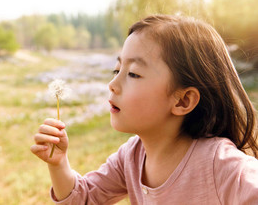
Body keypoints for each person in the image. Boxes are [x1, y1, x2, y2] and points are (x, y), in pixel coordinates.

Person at [31, 15, 258, 204]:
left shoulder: (223, 166)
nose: (112, 84)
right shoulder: (131, 156)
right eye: (116, 70)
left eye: (133, 74)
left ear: (183, 101)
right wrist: (59, 164)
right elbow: (85, 199)